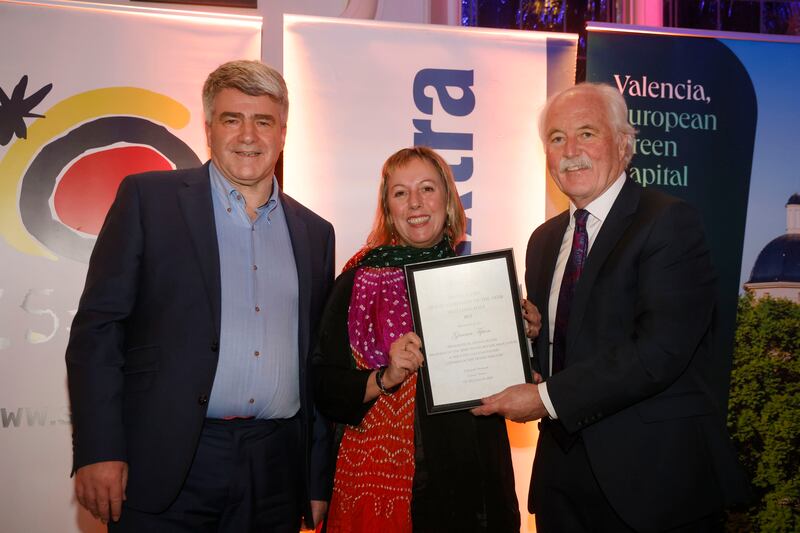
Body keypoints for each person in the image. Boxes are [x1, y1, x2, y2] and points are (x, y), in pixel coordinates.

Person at [65, 60, 334, 532]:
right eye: (233, 119)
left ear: (284, 133)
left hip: (273, 470)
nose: (248, 135)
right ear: (209, 129)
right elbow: (98, 331)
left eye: (263, 121)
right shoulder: (149, 200)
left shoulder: (315, 233)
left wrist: (315, 479)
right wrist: (100, 449)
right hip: (166, 463)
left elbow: (314, 362)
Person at [473, 83, 750, 532]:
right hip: (562, 477)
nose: (570, 151)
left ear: (623, 144)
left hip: (653, 482)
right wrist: (529, 340)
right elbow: (573, 344)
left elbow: (659, 351)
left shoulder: (668, 221)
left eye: (587, 133)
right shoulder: (543, 242)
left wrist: (544, 398)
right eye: (557, 138)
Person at [313, 146, 529, 532]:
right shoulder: (356, 280)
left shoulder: (480, 281)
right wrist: (384, 376)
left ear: (447, 200)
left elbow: (515, 386)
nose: (415, 203)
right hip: (381, 481)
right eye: (400, 192)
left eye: (427, 188)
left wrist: (525, 335)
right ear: (388, 207)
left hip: (471, 478)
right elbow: (324, 386)